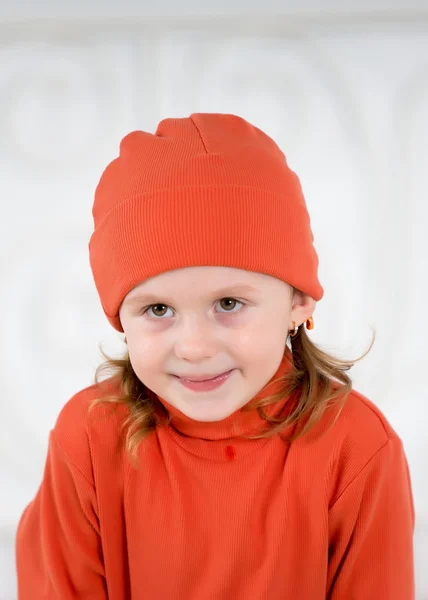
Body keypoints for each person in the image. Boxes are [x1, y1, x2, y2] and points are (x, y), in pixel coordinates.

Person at [15, 113, 415, 599]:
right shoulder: (88, 439)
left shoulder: (356, 448)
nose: (195, 347)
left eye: (229, 304)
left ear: (299, 302)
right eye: (158, 309)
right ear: (120, 318)